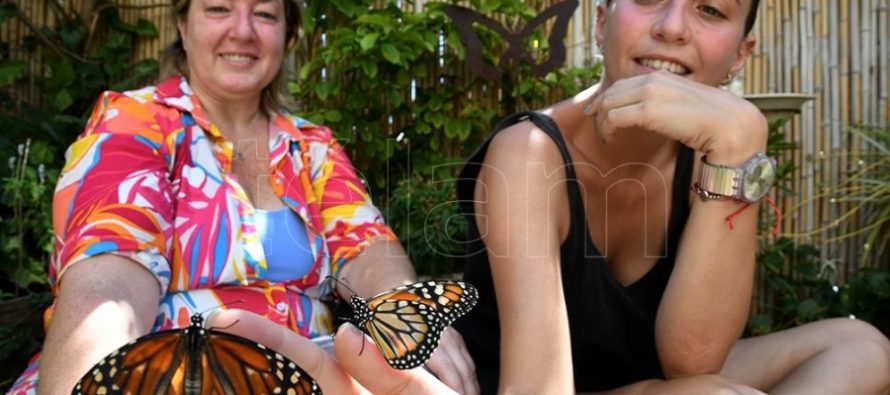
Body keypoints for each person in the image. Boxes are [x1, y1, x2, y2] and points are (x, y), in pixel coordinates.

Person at [6, 1, 478, 394]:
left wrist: (406, 317)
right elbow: (108, 292)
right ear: (182, 25)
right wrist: (88, 383)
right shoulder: (137, 120)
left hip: (312, 372)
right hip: (168, 372)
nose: (243, 30)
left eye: (265, 15)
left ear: (288, 35)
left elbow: (368, 248)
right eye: (218, 8)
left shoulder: (311, 146)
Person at [453, 0, 890, 393]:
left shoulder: (716, 152)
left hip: (658, 376)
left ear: (740, 54)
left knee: (863, 349)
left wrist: (741, 149)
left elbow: (692, 361)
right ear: (602, 23)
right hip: (528, 385)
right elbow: (533, 389)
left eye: (711, 10)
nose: (672, 27)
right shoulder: (529, 151)